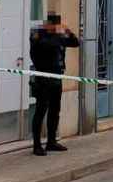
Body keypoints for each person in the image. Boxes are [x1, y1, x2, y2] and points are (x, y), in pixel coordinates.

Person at [30, 13, 79, 156]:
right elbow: (44, 46)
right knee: (40, 111)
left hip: (56, 77)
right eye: (54, 24)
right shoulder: (38, 35)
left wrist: (67, 31)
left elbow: (75, 43)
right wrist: (58, 35)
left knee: (54, 110)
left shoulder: (59, 36)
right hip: (43, 78)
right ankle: (37, 145)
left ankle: (51, 142)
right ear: (47, 24)